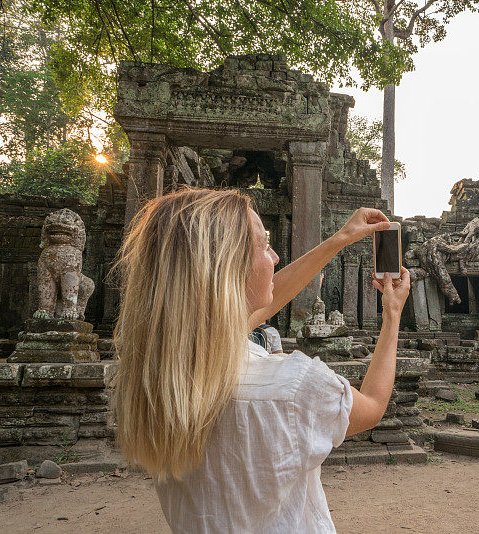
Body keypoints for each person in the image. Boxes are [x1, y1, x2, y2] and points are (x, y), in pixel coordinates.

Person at [111, 187, 410, 533]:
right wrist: (392, 315)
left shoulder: (158, 377)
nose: (276, 256)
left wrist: (340, 239)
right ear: (228, 269)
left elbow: (262, 304)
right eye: (264, 244)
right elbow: (372, 405)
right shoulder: (296, 388)